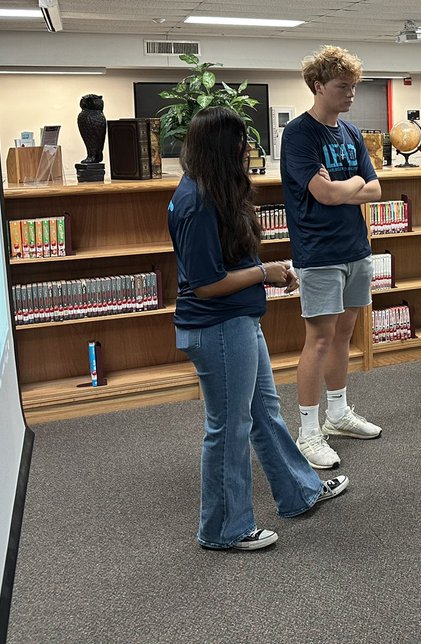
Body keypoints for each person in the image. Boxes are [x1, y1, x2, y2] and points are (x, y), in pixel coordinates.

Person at [168, 107, 347, 551]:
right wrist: (262, 273)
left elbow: (224, 261)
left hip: (237, 324)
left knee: (264, 412)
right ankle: (224, 528)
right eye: (241, 144)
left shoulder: (213, 192)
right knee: (228, 428)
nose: (248, 152)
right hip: (217, 328)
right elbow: (207, 284)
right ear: (221, 150)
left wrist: (262, 270)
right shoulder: (197, 203)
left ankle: (299, 491)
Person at [281, 45, 382, 470]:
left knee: (344, 336)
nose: (351, 94)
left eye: (354, 87)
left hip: (356, 248)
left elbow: (375, 190)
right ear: (318, 86)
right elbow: (320, 193)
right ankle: (308, 432)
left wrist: (347, 185)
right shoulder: (299, 134)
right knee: (319, 339)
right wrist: (350, 185)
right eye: (343, 87)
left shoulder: (353, 133)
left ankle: (338, 414)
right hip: (318, 252)